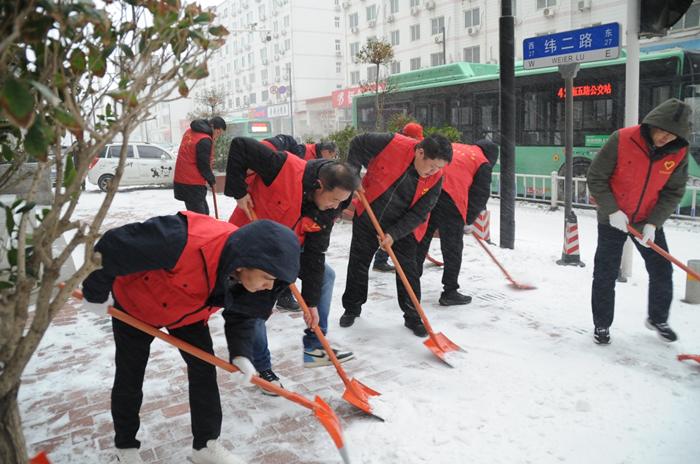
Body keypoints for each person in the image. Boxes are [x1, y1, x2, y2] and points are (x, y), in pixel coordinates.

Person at [81, 213, 300, 464]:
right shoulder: (181, 238)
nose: (270, 287)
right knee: (130, 375)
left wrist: (241, 354)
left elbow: (243, 314)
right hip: (136, 305)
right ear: (243, 263)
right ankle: (126, 446)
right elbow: (113, 246)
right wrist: (94, 293)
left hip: (187, 313)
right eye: (267, 279)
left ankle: (205, 445)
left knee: (204, 371)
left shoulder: (252, 274)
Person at [225, 137, 360, 388]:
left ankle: (314, 347)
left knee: (325, 277)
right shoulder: (284, 167)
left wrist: (310, 304)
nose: (336, 206)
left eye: (342, 202)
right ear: (319, 185)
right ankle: (261, 367)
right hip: (250, 246)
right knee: (252, 303)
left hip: (287, 247)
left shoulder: (329, 209)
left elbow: (315, 255)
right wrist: (239, 190)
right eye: (333, 200)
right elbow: (240, 146)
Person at [587, 98, 692, 345]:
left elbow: (673, 191)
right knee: (606, 272)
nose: (666, 139)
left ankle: (658, 318)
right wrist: (612, 210)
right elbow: (596, 176)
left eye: (672, 135)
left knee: (662, 269)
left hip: (646, 220)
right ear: (652, 124)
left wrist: (654, 223)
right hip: (613, 218)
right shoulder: (622, 139)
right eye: (663, 132)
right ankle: (602, 324)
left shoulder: (678, 152)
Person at [339, 132, 453, 337]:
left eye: (439, 168)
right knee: (358, 263)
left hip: (403, 226)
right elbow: (357, 142)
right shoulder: (391, 143)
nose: (434, 172)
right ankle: (352, 308)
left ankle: (413, 317)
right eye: (432, 166)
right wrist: (353, 174)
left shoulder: (436, 178)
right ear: (420, 152)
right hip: (369, 214)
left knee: (408, 270)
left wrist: (394, 234)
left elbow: (420, 212)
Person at [416, 135, 499, 306]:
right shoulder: (483, 162)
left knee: (421, 239)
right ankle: (450, 291)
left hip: (429, 190)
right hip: (451, 200)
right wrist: (467, 221)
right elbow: (480, 195)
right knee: (452, 248)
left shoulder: (458, 147)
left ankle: (409, 284)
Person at [371, 123, 424, 273]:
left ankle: (381, 259)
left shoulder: (405, 147)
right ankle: (380, 260)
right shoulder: (395, 146)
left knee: (391, 233)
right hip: (390, 197)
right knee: (390, 233)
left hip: (396, 196)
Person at [174, 117, 226, 214]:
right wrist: (211, 179)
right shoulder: (204, 139)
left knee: (201, 214)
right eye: (218, 132)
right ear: (213, 127)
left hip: (183, 179)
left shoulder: (189, 131)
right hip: (191, 183)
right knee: (200, 217)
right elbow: (203, 164)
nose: (217, 136)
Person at [262, 133, 338, 160]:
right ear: (327, 151)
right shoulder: (303, 151)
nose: (331, 159)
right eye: (332, 156)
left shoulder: (315, 154)